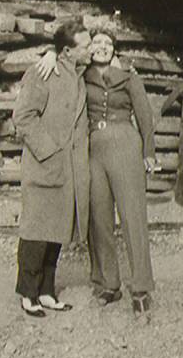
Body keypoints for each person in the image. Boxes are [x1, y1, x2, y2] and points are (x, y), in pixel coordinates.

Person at [37, 28, 157, 316]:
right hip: (93, 151)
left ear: (115, 49)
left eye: (108, 43)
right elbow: (63, 57)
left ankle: (141, 287)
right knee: (99, 219)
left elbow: (145, 116)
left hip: (126, 144)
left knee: (133, 216)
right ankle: (107, 284)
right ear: (90, 49)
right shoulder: (81, 74)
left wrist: (149, 152)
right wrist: (52, 52)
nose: (103, 47)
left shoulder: (129, 76)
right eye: (98, 43)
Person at [12, 18, 92, 318]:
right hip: (45, 166)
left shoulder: (79, 74)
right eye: (85, 45)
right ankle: (27, 293)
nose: (90, 50)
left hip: (68, 170)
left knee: (56, 231)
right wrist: (49, 151)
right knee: (36, 231)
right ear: (68, 51)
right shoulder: (43, 73)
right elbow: (23, 117)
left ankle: (46, 291)